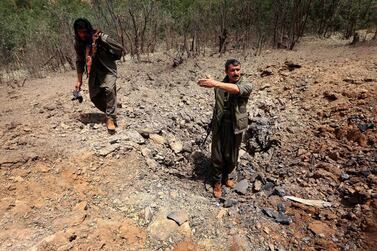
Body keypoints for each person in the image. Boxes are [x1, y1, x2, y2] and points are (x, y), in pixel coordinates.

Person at [197, 59, 252, 198]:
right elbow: (218, 103)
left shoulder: (246, 84)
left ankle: (226, 178)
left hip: (236, 127)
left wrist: (214, 83)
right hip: (220, 125)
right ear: (227, 71)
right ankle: (216, 182)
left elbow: (236, 89)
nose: (236, 73)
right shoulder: (220, 85)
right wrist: (213, 82)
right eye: (232, 70)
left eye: (238, 70)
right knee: (217, 155)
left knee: (232, 156)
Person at [73, 18, 123, 133]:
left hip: (107, 67)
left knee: (109, 89)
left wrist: (111, 55)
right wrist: (79, 81)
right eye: (79, 32)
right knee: (94, 96)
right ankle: (112, 106)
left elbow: (119, 48)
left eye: (84, 32)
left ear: (88, 29)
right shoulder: (78, 43)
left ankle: (110, 118)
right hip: (94, 71)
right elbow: (80, 60)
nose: (82, 35)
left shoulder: (100, 37)